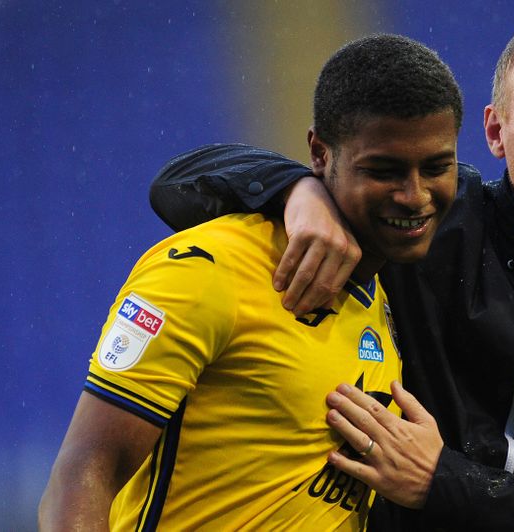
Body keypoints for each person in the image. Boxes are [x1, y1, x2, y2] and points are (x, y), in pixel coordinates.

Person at [149, 17, 514, 531]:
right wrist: (297, 191)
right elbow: (179, 184)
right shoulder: (428, 219)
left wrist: (445, 482)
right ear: (495, 131)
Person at [38, 34, 462, 530]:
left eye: (436, 167)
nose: (414, 196)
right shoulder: (209, 267)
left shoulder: (382, 294)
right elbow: (86, 471)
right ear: (320, 154)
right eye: (384, 171)